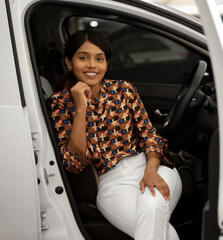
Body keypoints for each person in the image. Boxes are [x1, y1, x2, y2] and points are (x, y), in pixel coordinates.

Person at [48, 30, 182, 240]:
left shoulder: (124, 90)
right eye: (83, 58)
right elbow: (74, 163)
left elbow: (150, 136)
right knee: (168, 234)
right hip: (111, 183)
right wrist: (81, 109)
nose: (92, 65)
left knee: (152, 206)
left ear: (106, 64)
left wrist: (150, 170)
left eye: (99, 59)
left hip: (149, 164)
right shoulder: (60, 103)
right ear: (69, 62)